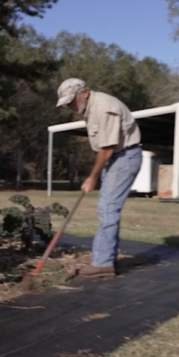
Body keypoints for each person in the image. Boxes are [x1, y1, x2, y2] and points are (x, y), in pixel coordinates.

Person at [55, 78, 142, 277]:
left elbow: (107, 148)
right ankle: (103, 256)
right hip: (117, 158)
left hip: (124, 157)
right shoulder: (91, 109)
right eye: (67, 103)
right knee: (106, 207)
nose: (71, 106)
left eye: (72, 101)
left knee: (108, 207)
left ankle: (102, 263)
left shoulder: (104, 108)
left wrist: (92, 177)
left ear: (84, 93)